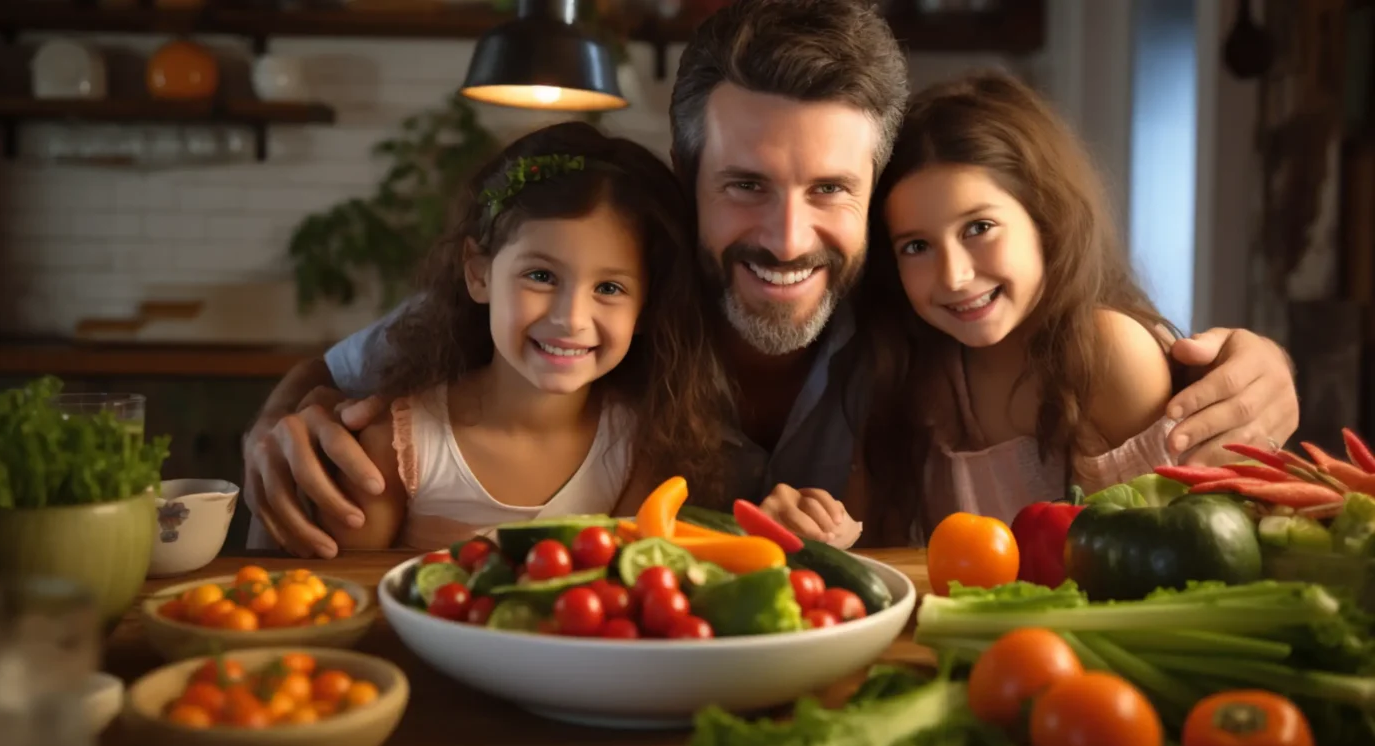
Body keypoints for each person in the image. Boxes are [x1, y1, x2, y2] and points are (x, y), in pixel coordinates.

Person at [243, 0, 1300, 558]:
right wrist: (278, 426)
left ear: (879, 191)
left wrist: (1256, 360)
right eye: (744, 183)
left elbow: (1061, 317)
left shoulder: (919, 297)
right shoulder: (612, 281)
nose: (786, 237)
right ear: (685, 176)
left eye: (830, 190)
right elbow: (355, 372)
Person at [302, 122, 727, 551]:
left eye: (609, 289)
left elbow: (631, 587)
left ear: (647, 307)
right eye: (541, 276)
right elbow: (343, 591)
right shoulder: (394, 444)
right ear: (478, 272)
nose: (571, 318)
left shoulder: (643, 447)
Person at [849, 71, 1197, 540]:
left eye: (979, 228)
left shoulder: (1108, 354)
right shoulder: (913, 368)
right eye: (916, 246)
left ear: (1045, 220)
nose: (953, 276)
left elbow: (1169, 556)